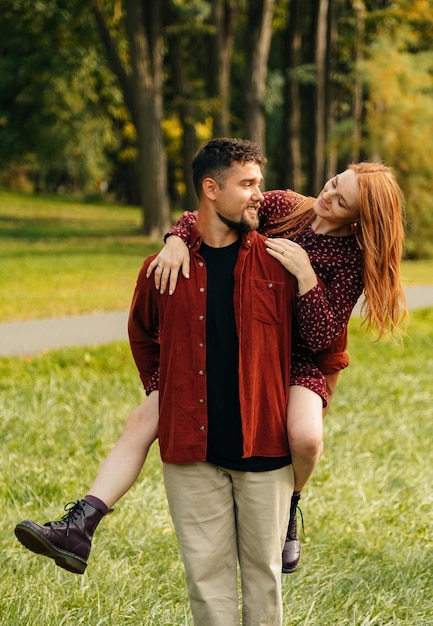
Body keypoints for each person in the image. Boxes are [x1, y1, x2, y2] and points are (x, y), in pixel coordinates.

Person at [14, 158, 407, 581]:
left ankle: (289, 506)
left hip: (295, 360)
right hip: (240, 340)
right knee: (144, 418)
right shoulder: (286, 207)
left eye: (340, 199)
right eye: (332, 183)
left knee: (306, 437)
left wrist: (306, 275)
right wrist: (176, 239)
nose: (326, 196)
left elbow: (323, 338)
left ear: (360, 218)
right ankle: (81, 525)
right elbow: (209, 212)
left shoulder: (351, 259)